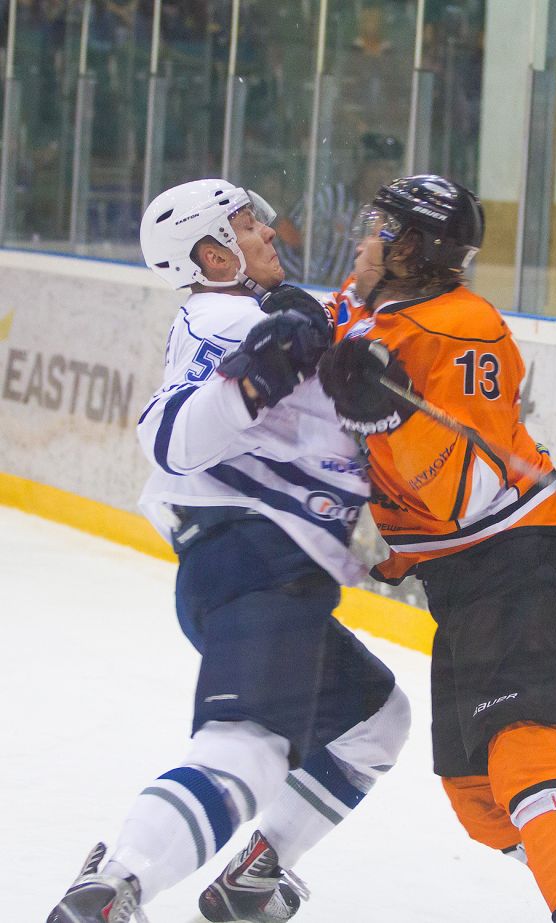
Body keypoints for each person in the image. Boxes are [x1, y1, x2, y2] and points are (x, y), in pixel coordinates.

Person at [315, 175, 556, 923]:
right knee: (477, 794)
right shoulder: (384, 314)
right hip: (466, 582)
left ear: (409, 249)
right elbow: (333, 326)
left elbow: (468, 491)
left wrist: (391, 420)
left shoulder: (461, 331)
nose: (363, 240)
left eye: (378, 228)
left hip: (519, 563)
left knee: (524, 748)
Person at [45, 178, 410, 923]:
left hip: (268, 569)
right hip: (255, 559)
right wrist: (256, 378)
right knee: (247, 749)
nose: (268, 233)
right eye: (246, 226)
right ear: (214, 256)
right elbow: (171, 435)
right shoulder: (225, 316)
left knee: (376, 719)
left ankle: (256, 871)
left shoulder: (255, 313)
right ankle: (114, 884)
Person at [275, 131, 404, 286]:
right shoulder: (326, 200)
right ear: (361, 166)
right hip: (309, 292)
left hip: (354, 298)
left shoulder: (391, 218)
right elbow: (284, 237)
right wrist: (302, 285)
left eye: (389, 169)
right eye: (376, 167)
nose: (382, 175)